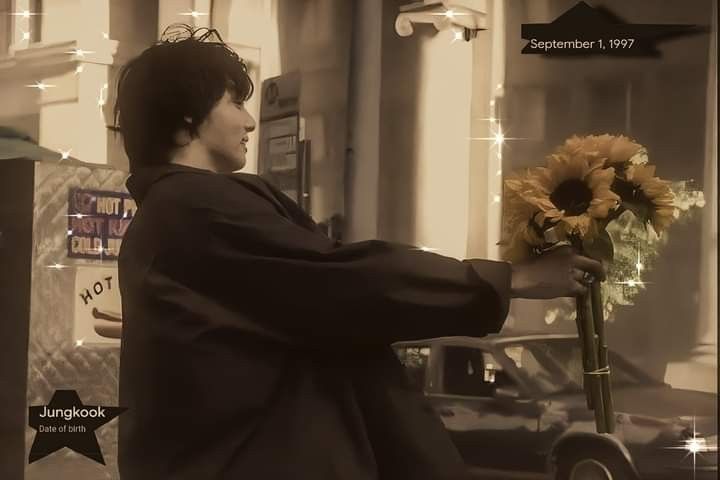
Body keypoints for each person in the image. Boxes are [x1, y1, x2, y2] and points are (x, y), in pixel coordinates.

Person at [112, 24, 605, 480]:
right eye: (233, 103)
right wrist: (512, 279)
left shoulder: (169, 217)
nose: (248, 120)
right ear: (185, 121)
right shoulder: (197, 206)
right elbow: (342, 280)